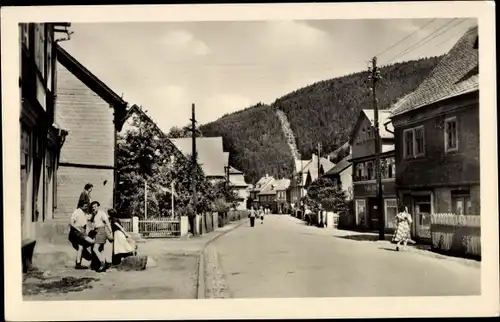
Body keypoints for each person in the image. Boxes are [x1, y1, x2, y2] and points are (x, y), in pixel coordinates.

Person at [68, 202, 94, 269]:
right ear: (81, 206)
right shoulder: (76, 212)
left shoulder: (83, 212)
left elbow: (87, 219)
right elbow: (71, 222)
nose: (86, 207)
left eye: (86, 206)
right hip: (77, 232)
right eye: (85, 206)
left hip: (81, 231)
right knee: (92, 242)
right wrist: (78, 229)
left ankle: (78, 263)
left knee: (81, 247)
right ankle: (95, 259)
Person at [90, 201, 113, 272]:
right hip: (97, 232)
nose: (94, 208)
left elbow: (107, 222)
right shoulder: (93, 214)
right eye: (93, 207)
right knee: (101, 249)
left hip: (101, 231)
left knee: (95, 248)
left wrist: (110, 231)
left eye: (95, 206)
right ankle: (104, 263)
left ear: (98, 206)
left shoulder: (102, 213)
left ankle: (102, 263)